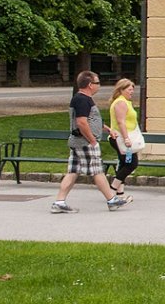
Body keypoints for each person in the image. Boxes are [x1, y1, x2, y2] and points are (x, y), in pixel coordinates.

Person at [51, 71, 130, 213]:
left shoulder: (83, 98)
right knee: (98, 171)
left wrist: (106, 128)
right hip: (85, 142)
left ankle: (59, 202)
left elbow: (91, 120)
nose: (99, 85)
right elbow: (81, 122)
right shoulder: (82, 99)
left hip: (78, 142)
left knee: (73, 171)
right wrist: (92, 141)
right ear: (90, 85)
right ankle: (112, 200)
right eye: (97, 83)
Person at [106, 78, 142, 195]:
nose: (132, 92)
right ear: (121, 90)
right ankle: (113, 188)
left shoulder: (124, 102)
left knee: (124, 163)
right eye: (129, 89)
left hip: (122, 137)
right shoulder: (120, 103)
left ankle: (120, 192)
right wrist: (127, 138)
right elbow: (121, 122)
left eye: (132, 90)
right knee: (132, 164)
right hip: (121, 138)